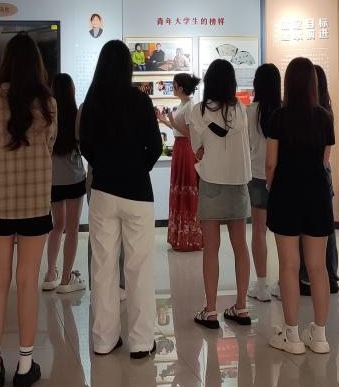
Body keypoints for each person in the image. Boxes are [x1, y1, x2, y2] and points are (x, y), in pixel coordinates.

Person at [0, 34, 56, 387]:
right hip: (35, 203)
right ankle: (25, 365)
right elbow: (49, 146)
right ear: (37, 65)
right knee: (28, 282)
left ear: (6, 63)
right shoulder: (49, 105)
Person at [79, 42, 162, 359]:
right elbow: (155, 146)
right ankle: (141, 341)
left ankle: (104, 339)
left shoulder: (92, 102)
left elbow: (85, 145)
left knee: (103, 267)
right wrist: (138, 167)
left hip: (103, 191)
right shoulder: (140, 100)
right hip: (138, 192)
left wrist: (104, 165)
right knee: (139, 266)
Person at [265, 57, 335, 356]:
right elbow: (324, 161)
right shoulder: (324, 118)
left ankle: (291, 335)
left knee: (289, 266)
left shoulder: (278, 117)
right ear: (313, 84)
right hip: (317, 195)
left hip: (286, 194)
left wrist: (272, 185)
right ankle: (319, 335)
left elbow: (271, 163)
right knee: (318, 267)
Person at [186, 60, 252, 330]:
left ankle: (211, 310)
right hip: (238, 182)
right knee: (240, 246)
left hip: (211, 181)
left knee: (211, 249)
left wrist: (206, 150)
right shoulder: (241, 109)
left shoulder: (199, 111)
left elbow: (197, 148)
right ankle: (241, 306)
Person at [295, 64, 339, 296]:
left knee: (306, 229)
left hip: (311, 174)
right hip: (322, 174)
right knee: (325, 228)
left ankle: (307, 277)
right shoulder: (326, 112)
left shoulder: (310, 113)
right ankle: (330, 276)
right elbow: (325, 156)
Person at [43, 74, 87, 294]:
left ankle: (50, 273)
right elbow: (83, 144)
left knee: (56, 226)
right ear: (71, 90)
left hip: (52, 179)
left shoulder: (47, 115)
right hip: (74, 177)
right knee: (72, 228)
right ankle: (66, 279)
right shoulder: (76, 114)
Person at [246, 64, 281, 303]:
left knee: (259, 230)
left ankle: (261, 285)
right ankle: (282, 283)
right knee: (283, 232)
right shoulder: (283, 111)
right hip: (281, 178)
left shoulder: (249, 111)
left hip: (257, 176)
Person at [157, 73, 202, 252]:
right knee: (179, 188)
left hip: (186, 149)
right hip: (180, 148)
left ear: (181, 88)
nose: (173, 88)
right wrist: (165, 121)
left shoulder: (190, 106)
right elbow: (179, 130)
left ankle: (189, 238)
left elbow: (190, 134)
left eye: (174, 85)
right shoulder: (184, 105)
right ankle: (180, 237)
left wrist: (173, 122)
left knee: (187, 188)